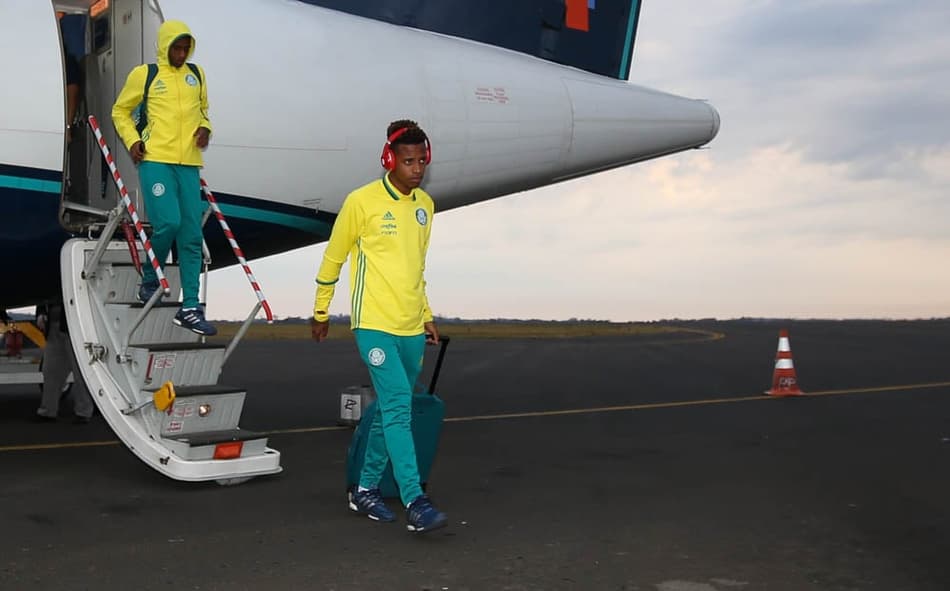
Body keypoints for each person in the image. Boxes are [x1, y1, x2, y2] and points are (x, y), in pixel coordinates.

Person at [311, 120, 448, 534]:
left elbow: (416, 268)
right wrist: (321, 311)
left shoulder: (425, 206)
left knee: (391, 409)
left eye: (422, 161)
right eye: (408, 162)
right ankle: (415, 500)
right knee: (399, 408)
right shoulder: (361, 202)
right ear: (389, 160)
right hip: (372, 324)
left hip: (410, 327)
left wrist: (426, 314)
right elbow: (334, 257)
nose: (416, 169)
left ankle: (365, 488)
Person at [111, 20, 216, 336]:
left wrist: (205, 128)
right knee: (168, 222)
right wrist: (133, 140)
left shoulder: (196, 75)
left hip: (189, 164)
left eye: (186, 48)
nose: (181, 54)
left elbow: (203, 111)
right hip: (155, 160)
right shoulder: (145, 75)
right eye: (176, 48)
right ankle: (149, 278)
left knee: (191, 236)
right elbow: (120, 111)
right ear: (165, 46)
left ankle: (190, 307)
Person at [35, 302, 94, 424]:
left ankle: (83, 412)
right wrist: (41, 313)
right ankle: (48, 410)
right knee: (50, 371)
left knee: (80, 371)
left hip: (74, 326)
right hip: (54, 326)